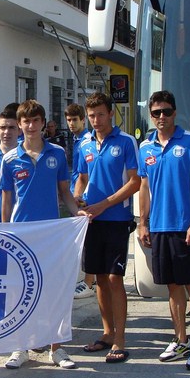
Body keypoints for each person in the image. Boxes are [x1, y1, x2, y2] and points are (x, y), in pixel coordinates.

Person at [0, 99, 83, 370]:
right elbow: (6, 201)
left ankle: (56, 348)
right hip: (21, 235)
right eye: (26, 121)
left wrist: (77, 214)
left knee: (53, 291)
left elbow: (65, 193)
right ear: (20, 124)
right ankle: (19, 347)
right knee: (18, 292)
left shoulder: (56, 154)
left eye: (36, 121)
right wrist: (5, 234)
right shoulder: (9, 159)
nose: (31, 126)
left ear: (43, 123)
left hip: (51, 235)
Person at [137, 90, 190, 371]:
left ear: (175, 112)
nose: (161, 117)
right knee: (172, 287)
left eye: (166, 111)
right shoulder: (146, 148)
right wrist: (143, 222)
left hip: (185, 227)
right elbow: (144, 187)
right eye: (156, 113)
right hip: (159, 227)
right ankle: (181, 340)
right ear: (151, 115)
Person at [74, 93, 140, 363]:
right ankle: (107, 333)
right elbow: (81, 178)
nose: (96, 120)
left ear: (110, 113)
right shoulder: (85, 143)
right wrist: (77, 201)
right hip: (91, 221)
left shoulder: (126, 142)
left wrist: (104, 205)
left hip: (116, 219)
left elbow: (135, 182)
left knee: (114, 278)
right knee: (99, 277)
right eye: (91, 116)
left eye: (100, 114)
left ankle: (121, 339)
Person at [66, 103, 95, 300]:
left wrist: (81, 196)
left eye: (74, 120)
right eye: (68, 120)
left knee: (87, 241)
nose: (71, 124)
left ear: (83, 120)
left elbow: (86, 174)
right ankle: (88, 280)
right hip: (75, 193)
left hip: (84, 196)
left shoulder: (86, 140)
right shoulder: (76, 140)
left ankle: (89, 282)